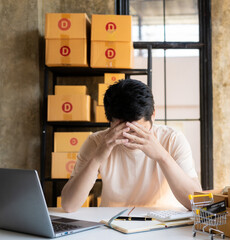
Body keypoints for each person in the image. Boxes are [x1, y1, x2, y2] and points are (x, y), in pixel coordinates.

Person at [61, 79, 202, 212]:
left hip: (163, 223)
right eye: (122, 131)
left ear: (153, 115)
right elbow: (69, 205)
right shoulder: (97, 142)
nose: (131, 138)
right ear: (109, 121)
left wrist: (162, 156)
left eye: (139, 130)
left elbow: (197, 203)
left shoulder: (172, 139)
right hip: (112, 224)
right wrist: (97, 158)